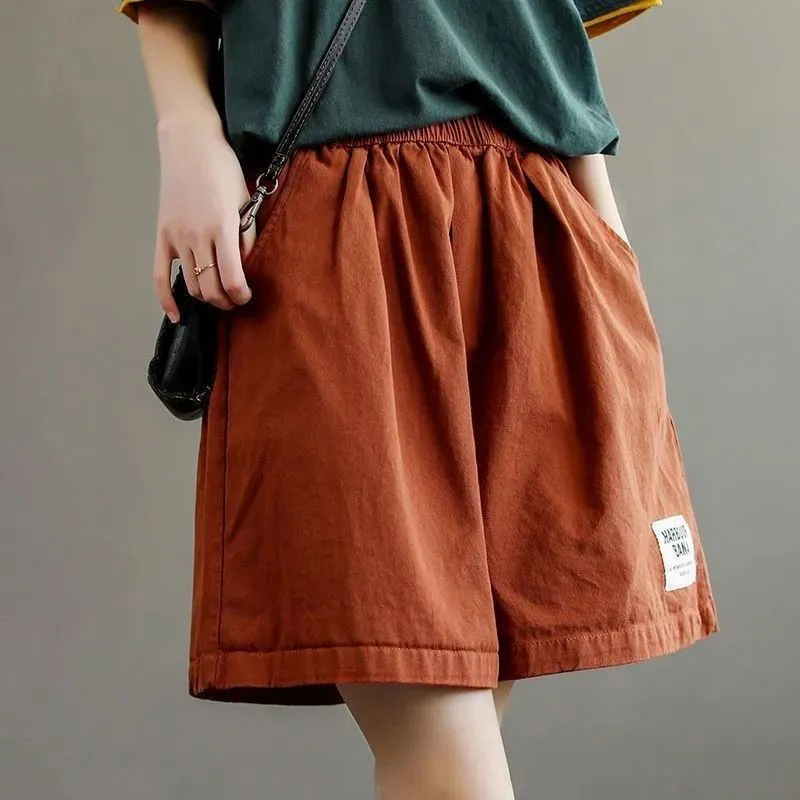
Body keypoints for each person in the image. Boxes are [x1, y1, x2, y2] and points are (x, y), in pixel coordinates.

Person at [119, 1, 719, 797]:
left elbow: (549, 33)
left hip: (531, 221)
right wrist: (186, 131)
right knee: (449, 766)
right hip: (339, 231)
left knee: (443, 755)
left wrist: (608, 252)